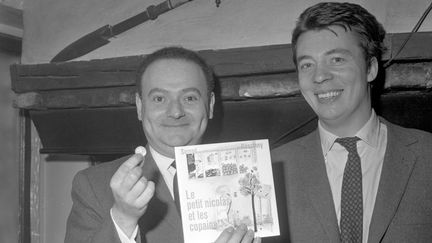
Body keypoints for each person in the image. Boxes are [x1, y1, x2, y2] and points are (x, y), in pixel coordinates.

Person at [272, 2, 432, 243]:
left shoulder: (427, 153)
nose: (319, 76)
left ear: (371, 68)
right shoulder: (270, 169)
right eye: (307, 65)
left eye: (336, 59)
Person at [65, 47, 260, 243]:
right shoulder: (93, 186)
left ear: (209, 105)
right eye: (159, 99)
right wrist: (123, 218)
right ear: (140, 107)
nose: (175, 111)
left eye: (189, 98)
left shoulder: (253, 177)